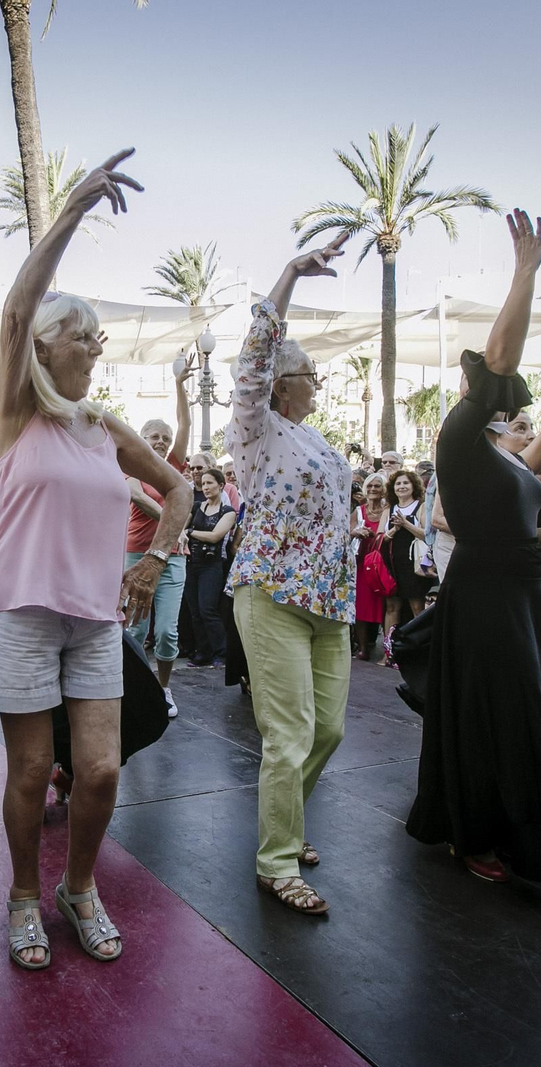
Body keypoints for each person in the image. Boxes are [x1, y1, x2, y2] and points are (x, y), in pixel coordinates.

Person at [0, 149, 188, 969]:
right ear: (48, 346)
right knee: (32, 771)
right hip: (20, 612)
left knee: (97, 772)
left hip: (94, 618)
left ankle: (79, 886)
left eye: (98, 337)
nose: (94, 346)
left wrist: (155, 559)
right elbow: (18, 306)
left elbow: (179, 490)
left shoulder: (104, 425)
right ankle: (25, 893)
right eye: (81, 334)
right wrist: (74, 211)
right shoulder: (20, 412)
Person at [403, 210, 541, 887]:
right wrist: (525, 271)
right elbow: (499, 362)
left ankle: (532, 821)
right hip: (488, 595)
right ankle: (476, 831)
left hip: (533, 597)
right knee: (499, 715)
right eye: (492, 392)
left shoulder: (520, 462)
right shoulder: (460, 448)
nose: (512, 407)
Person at [226, 237, 357, 916]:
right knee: (289, 733)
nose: (319, 382)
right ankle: (277, 860)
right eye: (312, 372)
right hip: (272, 593)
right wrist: (289, 277)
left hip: (330, 605)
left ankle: (286, 824)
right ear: (282, 380)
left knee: (328, 731)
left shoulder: (322, 443)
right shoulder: (257, 428)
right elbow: (252, 356)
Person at [124, 360, 192, 710]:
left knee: (167, 632)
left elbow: (185, 424)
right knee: (135, 631)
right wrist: (173, 523)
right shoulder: (129, 465)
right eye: (155, 437)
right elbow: (135, 495)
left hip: (173, 561)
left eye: (165, 438)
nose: (163, 442)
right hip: (136, 554)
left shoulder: (173, 469)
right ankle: (136, 692)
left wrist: (179, 383)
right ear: (142, 439)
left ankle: (164, 689)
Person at [183, 467, 236, 667]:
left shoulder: (227, 511)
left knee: (208, 610)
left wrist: (191, 532)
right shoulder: (197, 507)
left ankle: (221, 653)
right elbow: (181, 528)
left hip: (211, 566)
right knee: (195, 611)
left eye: (210, 483)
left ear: (221, 486)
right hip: (191, 564)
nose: (205, 487)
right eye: (203, 483)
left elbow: (215, 536)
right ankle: (202, 652)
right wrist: (188, 530)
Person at [383, 468, 430, 631]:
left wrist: (405, 524)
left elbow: (427, 535)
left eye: (405, 483)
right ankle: (389, 653)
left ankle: (418, 652)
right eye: (398, 483)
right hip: (392, 565)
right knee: (391, 608)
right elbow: (380, 539)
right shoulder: (389, 509)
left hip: (414, 566)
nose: (401, 486)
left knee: (417, 608)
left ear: (413, 486)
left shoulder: (421, 507)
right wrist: (394, 530)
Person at [351, 473, 389, 663]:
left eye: (377, 486)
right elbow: (347, 532)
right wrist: (356, 532)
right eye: (370, 486)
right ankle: (363, 647)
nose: (373, 489)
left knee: (386, 606)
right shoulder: (359, 511)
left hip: (383, 563)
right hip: (362, 563)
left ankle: (387, 650)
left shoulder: (389, 510)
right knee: (361, 606)